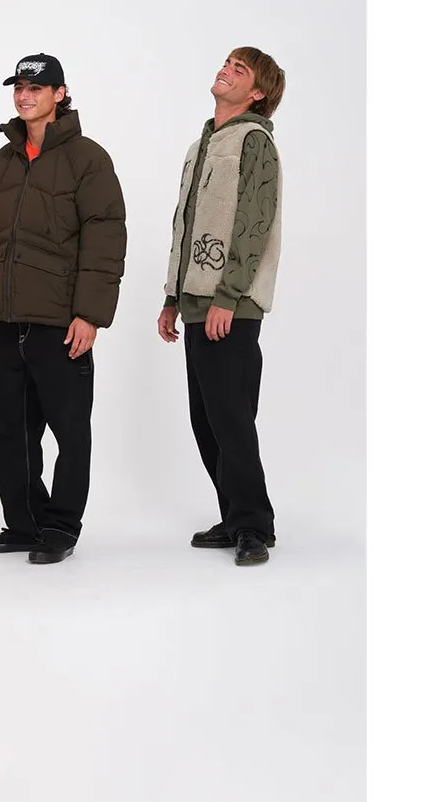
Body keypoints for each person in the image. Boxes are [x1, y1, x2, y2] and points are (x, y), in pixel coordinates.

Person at [0, 53, 127, 564]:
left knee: (70, 432)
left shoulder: (87, 159)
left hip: (61, 322)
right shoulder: (5, 159)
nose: (24, 95)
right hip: (8, 320)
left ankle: (60, 527)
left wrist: (90, 315)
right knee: (7, 432)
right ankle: (25, 523)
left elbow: (105, 238)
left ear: (60, 94)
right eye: (19, 87)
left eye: (35, 87)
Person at [158, 47, 286, 566]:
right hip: (196, 302)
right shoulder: (202, 145)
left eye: (240, 69)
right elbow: (186, 223)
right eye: (227, 62)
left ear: (257, 93)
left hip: (230, 305)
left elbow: (254, 223)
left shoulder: (254, 142)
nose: (225, 70)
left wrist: (228, 297)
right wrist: (172, 297)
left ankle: (254, 525)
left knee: (231, 418)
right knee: (206, 418)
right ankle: (234, 516)